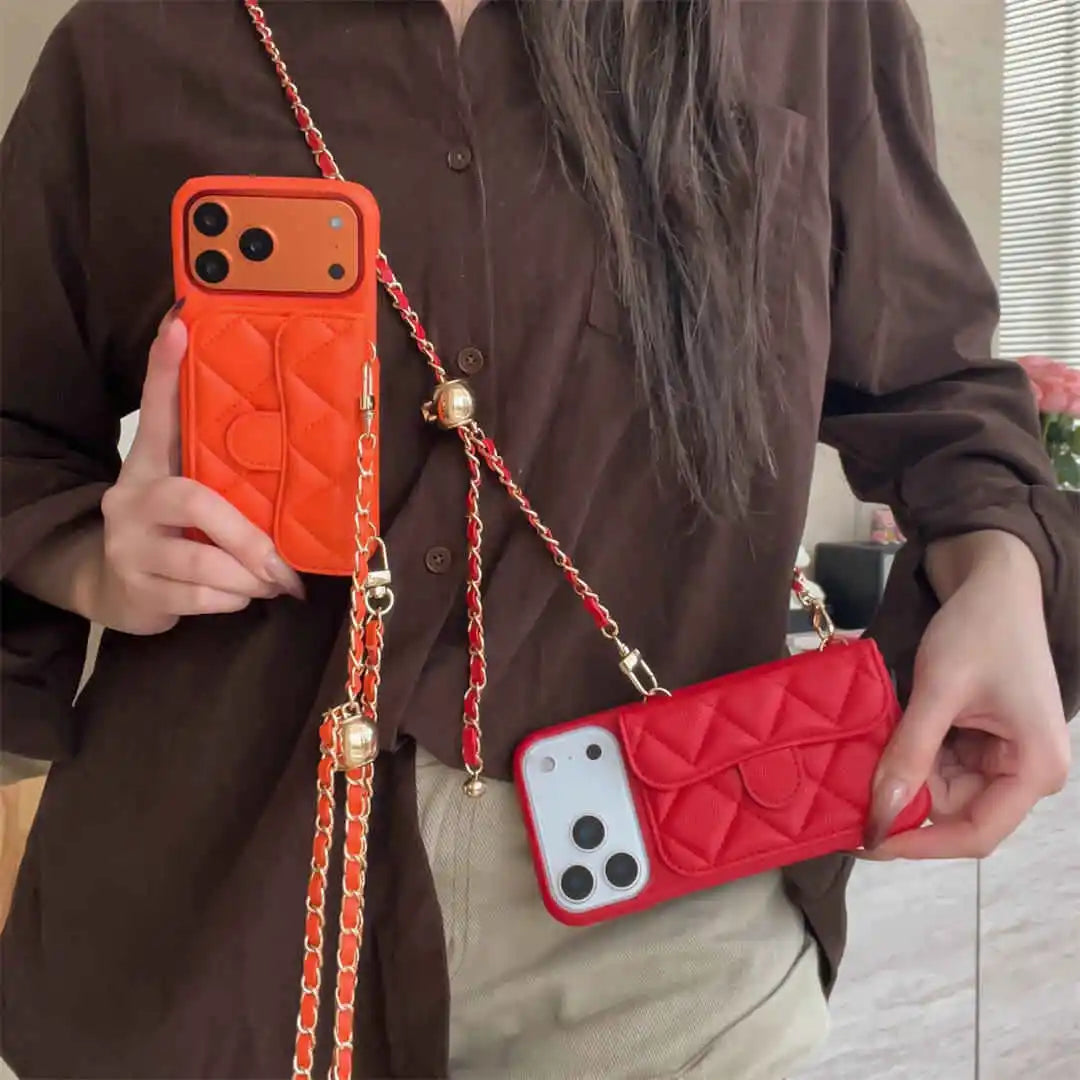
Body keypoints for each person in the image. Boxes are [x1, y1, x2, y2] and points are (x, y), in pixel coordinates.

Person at [1, 1, 1077, 1077]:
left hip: (668, 924)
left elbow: (929, 383)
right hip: (225, 921)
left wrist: (1001, 562)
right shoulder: (140, 42)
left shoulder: (807, 22)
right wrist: (93, 560)